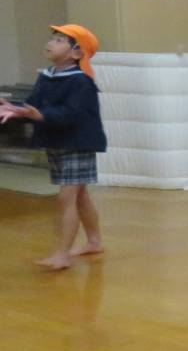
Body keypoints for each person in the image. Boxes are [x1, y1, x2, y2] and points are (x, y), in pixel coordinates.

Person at [0, 24, 108, 271]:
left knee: (67, 198)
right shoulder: (47, 75)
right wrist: (15, 109)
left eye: (60, 41)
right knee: (80, 195)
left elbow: (71, 114)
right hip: (58, 142)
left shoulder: (81, 81)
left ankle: (63, 254)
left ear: (77, 53)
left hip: (77, 144)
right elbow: (33, 105)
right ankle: (94, 242)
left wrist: (39, 115)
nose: (51, 43)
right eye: (52, 38)